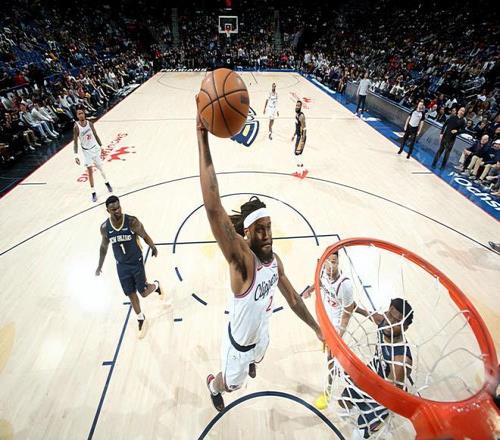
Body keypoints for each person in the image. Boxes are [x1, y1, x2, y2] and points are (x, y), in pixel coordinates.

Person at [196, 99, 323, 412]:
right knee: (232, 384)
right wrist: (202, 137)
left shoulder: (275, 262)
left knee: (260, 354)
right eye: (259, 229)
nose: (267, 234)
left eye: (269, 227)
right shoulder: (243, 262)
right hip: (238, 345)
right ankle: (213, 383)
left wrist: (317, 328)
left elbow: (293, 298)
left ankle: (254, 360)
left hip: (261, 334)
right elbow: (213, 208)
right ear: (247, 234)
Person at [339, 298, 414, 438]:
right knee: (344, 401)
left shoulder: (400, 360)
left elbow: (392, 394)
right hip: (374, 372)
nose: (389, 322)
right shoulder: (383, 322)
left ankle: (379, 425)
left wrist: (359, 379)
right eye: (389, 314)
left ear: (405, 328)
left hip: (386, 394)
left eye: (396, 321)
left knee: (359, 434)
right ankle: (358, 408)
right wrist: (355, 307)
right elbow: (373, 315)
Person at [95, 195, 164, 339]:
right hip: (121, 265)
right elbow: (103, 247)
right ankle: (141, 318)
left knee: (143, 292)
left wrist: (153, 247)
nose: (117, 211)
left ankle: (156, 286)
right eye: (113, 209)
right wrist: (99, 265)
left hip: (135, 262)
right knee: (130, 293)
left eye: (118, 207)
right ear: (108, 211)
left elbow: (144, 235)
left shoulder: (132, 221)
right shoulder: (105, 228)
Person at [303, 251, 356, 410]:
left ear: (338, 263)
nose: (331, 266)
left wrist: (337, 337)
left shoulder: (345, 285)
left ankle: (329, 391)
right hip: (325, 323)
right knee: (330, 359)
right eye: (328, 262)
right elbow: (320, 282)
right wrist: (310, 290)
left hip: (335, 329)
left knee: (331, 361)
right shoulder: (323, 272)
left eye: (334, 262)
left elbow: (347, 314)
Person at [73, 107, 113, 202]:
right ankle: (93, 192)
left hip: (94, 149)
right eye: (79, 114)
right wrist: (76, 155)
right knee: (90, 172)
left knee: (101, 168)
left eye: (82, 113)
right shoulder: (76, 127)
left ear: (84, 114)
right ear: (77, 116)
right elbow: (75, 142)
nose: (81, 115)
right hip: (86, 152)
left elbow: (96, 135)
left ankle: (107, 183)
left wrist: (102, 147)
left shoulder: (90, 123)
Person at [291, 100, 307, 178]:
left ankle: (299, 172)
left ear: (301, 107)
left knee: (296, 154)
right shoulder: (296, 115)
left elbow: (304, 128)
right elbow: (297, 127)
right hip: (298, 136)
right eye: (296, 105)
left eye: (298, 106)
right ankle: (303, 170)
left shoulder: (301, 116)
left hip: (301, 137)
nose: (297, 107)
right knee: (299, 154)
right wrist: (294, 135)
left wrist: (302, 139)